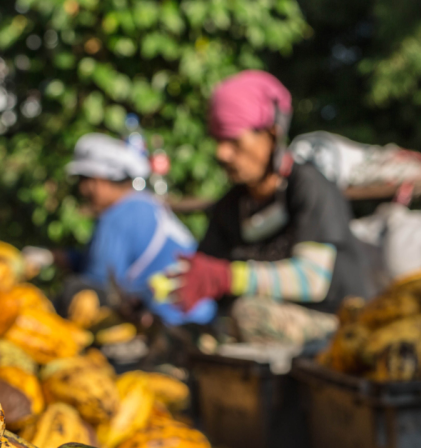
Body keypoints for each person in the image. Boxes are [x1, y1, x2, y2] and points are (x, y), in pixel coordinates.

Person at [170, 70, 381, 346]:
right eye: (218, 141)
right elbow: (205, 272)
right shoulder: (230, 207)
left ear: (272, 134)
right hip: (264, 331)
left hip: (338, 326)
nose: (222, 153)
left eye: (234, 141)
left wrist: (228, 276)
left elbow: (311, 279)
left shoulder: (310, 186)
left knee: (247, 314)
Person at [62, 133, 216, 326]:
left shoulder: (118, 216)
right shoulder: (143, 203)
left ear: (99, 179)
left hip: (172, 323)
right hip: (204, 316)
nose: (82, 190)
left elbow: (97, 281)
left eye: (84, 181)